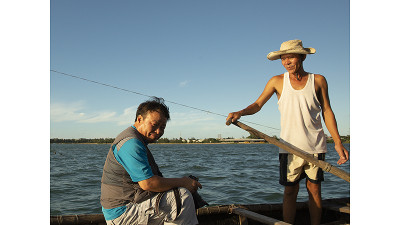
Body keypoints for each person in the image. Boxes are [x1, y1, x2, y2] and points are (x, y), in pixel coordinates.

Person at [226, 40, 349, 225]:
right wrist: (240, 112)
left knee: (314, 190)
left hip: (315, 145)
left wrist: (338, 142)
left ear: (302, 56)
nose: (286, 61)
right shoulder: (277, 81)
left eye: (290, 57)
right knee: (290, 191)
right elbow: (258, 104)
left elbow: (327, 111)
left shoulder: (319, 80)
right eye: (283, 58)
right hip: (288, 147)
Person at [100, 97, 202, 225]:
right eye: (154, 125)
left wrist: (183, 183)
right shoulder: (131, 143)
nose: (159, 131)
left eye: (163, 127)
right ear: (139, 119)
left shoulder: (137, 140)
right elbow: (148, 184)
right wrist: (183, 182)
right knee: (182, 197)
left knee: (178, 194)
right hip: (122, 213)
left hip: (131, 206)